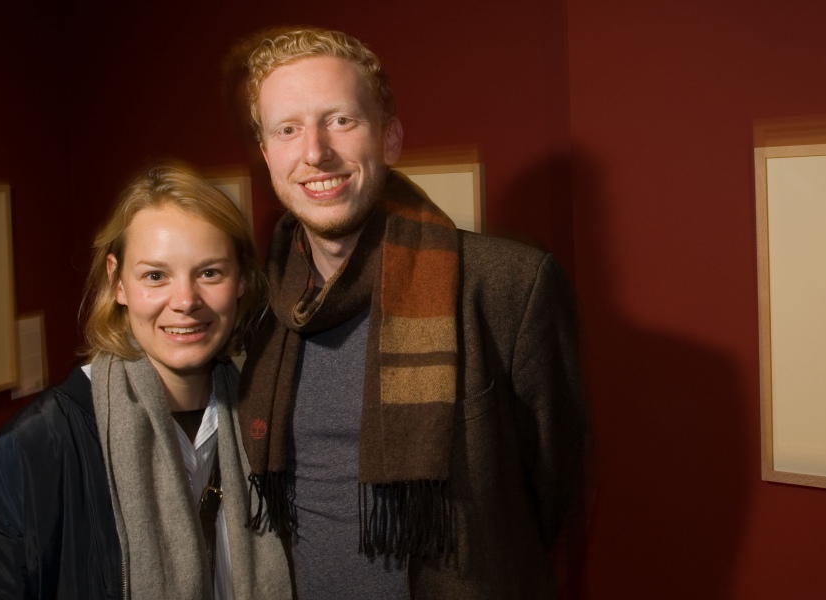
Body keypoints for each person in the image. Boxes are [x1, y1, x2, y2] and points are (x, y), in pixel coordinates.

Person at [234, 28, 589, 598]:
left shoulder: (508, 285)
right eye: (287, 129)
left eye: (341, 120)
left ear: (390, 138)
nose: (315, 152)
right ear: (267, 153)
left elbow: (557, 490)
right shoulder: (254, 307)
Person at [0, 165, 292, 599]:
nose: (185, 301)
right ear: (117, 281)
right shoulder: (23, 460)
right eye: (155, 275)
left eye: (209, 272)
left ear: (242, 280)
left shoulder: (268, 423)